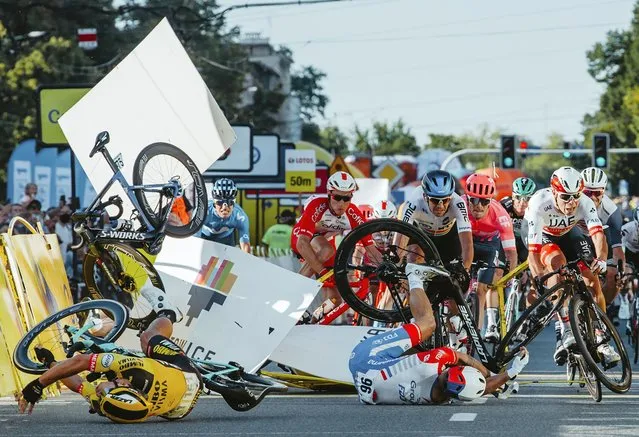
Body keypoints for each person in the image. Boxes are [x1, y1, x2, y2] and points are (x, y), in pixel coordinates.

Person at [349, 262, 530, 405]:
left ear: (452, 370)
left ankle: (414, 276)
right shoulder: (442, 397)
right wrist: (510, 374)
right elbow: (479, 389)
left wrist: (492, 373)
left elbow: (463, 358)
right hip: (365, 387)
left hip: (365, 358)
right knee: (411, 356)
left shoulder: (436, 360)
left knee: (428, 325)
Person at [18, 285, 203, 423]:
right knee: (148, 338)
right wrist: (39, 384)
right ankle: (168, 313)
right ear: (124, 384)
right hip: (187, 374)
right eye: (109, 387)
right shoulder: (139, 370)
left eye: (102, 393)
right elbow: (81, 361)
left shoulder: (109, 404)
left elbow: (79, 385)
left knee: (109, 366)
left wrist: (51, 363)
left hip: (179, 411)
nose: (99, 388)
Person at [525, 166, 619, 366]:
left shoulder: (584, 202)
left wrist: (601, 260)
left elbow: (597, 235)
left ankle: (600, 334)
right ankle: (566, 329)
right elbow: (532, 252)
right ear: (554, 193)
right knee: (557, 267)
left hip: (569, 235)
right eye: (565, 197)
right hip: (544, 238)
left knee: (592, 281)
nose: (572, 202)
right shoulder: (539, 204)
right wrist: (538, 276)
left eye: (575, 196)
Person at [293, 171, 381, 322]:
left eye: (346, 198)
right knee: (327, 250)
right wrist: (321, 271)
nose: (341, 203)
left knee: (334, 300)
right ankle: (293, 292)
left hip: (325, 242)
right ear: (329, 193)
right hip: (303, 238)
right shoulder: (317, 205)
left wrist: (388, 267)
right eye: (337, 197)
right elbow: (302, 243)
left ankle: (312, 321)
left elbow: (371, 249)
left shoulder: (352, 212)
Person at [463, 173, 518, 341]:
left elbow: (510, 252)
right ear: (467, 198)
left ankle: (476, 334)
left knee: (481, 290)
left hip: (489, 246)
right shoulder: (459, 206)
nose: (478, 206)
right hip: (466, 242)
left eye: (484, 201)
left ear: (490, 201)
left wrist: (510, 275)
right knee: (456, 286)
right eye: (473, 200)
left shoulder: (500, 214)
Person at [580, 167, 625, 306]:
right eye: (587, 192)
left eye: (597, 192)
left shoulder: (611, 211)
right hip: (578, 238)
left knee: (614, 275)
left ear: (604, 191)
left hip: (602, 237)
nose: (592, 197)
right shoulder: (571, 203)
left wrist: (621, 272)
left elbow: (618, 249)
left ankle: (603, 311)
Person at [199, 178, 251, 253]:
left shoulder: (240, 216)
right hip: (204, 237)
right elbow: (194, 238)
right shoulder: (203, 211)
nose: (224, 207)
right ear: (214, 202)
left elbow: (245, 245)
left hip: (226, 239)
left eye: (229, 202)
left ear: (234, 202)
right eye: (219, 203)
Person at [500, 177, 537, 264]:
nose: (522, 203)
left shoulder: (536, 209)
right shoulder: (503, 206)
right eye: (518, 197)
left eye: (527, 198)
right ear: (512, 196)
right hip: (507, 239)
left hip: (525, 240)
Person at [55, 205, 74, 277]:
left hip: (66, 260)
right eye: (63, 212)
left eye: (67, 212)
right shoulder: (54, 226)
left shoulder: (69, 227)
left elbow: (70, 242)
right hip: (56, 259)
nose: (65, 214)